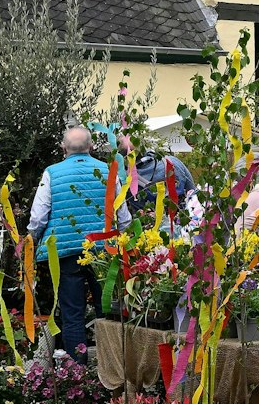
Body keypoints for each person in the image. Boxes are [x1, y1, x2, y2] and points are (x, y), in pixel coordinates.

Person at [29, 127, 120, 356]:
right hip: (103, 250)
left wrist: (32, 239)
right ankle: (110, 368)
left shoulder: (52, 173)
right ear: (91, 147)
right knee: (107, 311)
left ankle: (75, 372)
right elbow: (123, 213)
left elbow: (39, 216)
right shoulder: (108, 171)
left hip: (66, 252)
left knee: (72, 313)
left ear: (63, 148)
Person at [121, 133, 202, 233]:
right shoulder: (173, 162)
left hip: (153, 235)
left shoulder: (128, 182)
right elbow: (193, 194)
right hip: (186, 227)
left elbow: (135, 215)